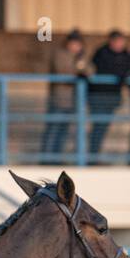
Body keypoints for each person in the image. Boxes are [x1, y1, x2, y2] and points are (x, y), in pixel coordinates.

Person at [40, 29, 90, 161]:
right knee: (52, 128)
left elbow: (90, 70)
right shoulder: (60, 54)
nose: (76, 46)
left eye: (78, 43)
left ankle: (56, 157)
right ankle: (46, 157)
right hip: (59, 99)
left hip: (74, 101)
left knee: (64, 130)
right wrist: (77, 73)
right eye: (73, 43)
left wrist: (83, 71)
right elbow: (61, 71)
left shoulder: (81, 56)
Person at [87, 30, 130, 162]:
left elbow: (129, 72)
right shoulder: (101, 53)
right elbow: (103, 69)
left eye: (121, 41)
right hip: (98, 97)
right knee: (98, 128)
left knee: (102, 127)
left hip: (113, 98)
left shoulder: (126, 55)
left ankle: (94, 156)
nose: (119, 44)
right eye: (116, 41)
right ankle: (91, 157)